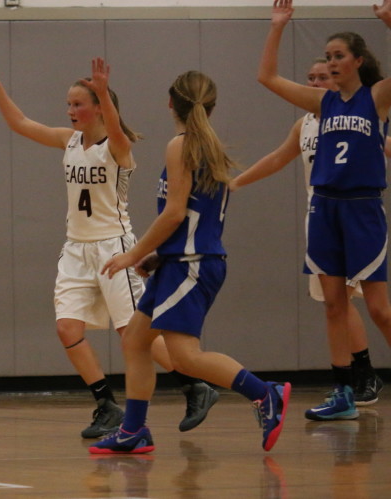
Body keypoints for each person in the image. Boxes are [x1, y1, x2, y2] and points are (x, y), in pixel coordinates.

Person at [0, 47, 218, 439]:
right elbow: (20, 122)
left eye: (78, 104)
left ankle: (195, 386)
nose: (71, 110)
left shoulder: (117, 148)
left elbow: (118, 130)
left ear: (99, 109)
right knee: (67, 329)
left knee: (132, 333)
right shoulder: (69, 142)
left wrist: (104, 92)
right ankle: (105, 403)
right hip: (76, 249)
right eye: (68, 104)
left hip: (114, 247)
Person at [93, 70, 291, 454]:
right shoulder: (206, 144)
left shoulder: (181, 144)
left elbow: (173, 213)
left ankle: (266, 394)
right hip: (183, 259)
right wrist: (157, 256)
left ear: (171, 102)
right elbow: (192, 217)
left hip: (193, 263)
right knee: (136, 340)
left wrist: (132, 253)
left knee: (184, 355)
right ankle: (134, 430)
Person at [258, 0, 391, 421]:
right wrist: (278, 26)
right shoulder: (320, 103)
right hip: (325, 207)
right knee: (334, 304)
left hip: (363, 207)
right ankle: (343, 393)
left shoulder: (376, 97)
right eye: (328, 56)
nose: (331, 63)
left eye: (338, 56)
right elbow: (266, 77)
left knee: (379, 309)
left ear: (358, 61)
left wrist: (390, 20)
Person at [232, 56, 384, 405]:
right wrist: (236, 182)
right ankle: (361, 376)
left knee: (366, 305)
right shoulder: (305, 125)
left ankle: (362, 375)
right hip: (321, 217)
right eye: (310, 77)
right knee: (336, 303)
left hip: (357, 214)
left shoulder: (358, 117)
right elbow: (277, 158)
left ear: (338, 78)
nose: (315, 83)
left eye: (323, 77)